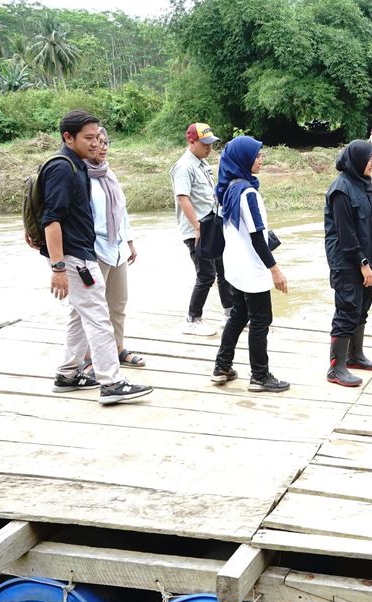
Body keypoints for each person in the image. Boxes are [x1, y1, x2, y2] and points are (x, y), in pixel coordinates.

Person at [39, 110, 152, 405]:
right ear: (68, 137)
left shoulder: (77, 166)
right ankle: (112, 382)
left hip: (82, 253)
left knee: (80, 314)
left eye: (97, 137)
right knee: (99, 318)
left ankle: (67, 374)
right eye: (88, 138)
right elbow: (51, 220)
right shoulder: (63, 168)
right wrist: (58, 267)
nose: (95, 143)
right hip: (76, 258)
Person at [212, 136, 290, 393]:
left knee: (239, 314)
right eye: (257, 156)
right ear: (244, 159)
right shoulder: (247, 192)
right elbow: (257, 236)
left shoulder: (227, 188)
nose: (261, 159)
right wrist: (274, 269)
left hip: (233, 266)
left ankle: (222, 366)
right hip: (251, 267)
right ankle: (260, 375)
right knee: (260, 320)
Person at [324, 140, 372, 388]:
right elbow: (345, 233)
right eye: (370, 159)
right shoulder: (341, 189)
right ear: (358, 160)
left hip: (366, 259)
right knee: (347, 309)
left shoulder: (364, 184)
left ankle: (355, 356)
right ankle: (335, 368)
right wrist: (362, 262)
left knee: (362, 307)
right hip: (347, 261)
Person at [82, 126, 144, 374]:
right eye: (97, 141)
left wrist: (129, 242)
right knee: (93, 309)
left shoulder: (109, 174)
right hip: (94, 249)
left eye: (106, 142)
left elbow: (121, 211)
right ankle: (87, 358)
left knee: (118, 303)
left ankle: (118, 349)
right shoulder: (81, 176)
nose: (103, 147)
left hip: (116, 247)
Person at [171, 122, 230, 336]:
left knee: (224, 270)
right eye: (204, 144)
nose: (209, 148)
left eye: (211, 144)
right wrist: (197, 227)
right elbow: (183, 198)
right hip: (197, 230)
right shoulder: (184, 166)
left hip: (212, 226)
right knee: (206, 275)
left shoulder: (201, 163)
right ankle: (192, 319)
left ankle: (229, 313)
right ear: (191, 141)